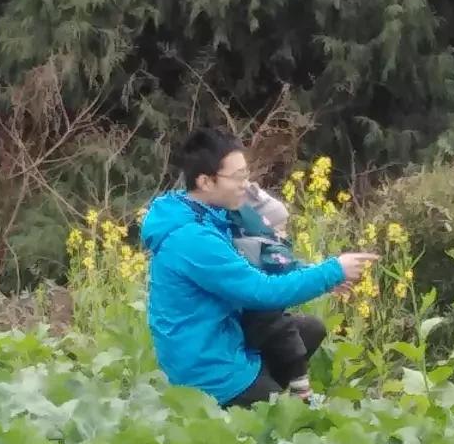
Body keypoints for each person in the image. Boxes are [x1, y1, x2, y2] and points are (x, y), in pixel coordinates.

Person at [140, 129, 377, 407]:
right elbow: (261, 291)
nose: (245, 184)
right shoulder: (192, 239)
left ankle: (275, 393)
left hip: (226, 338)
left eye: (245, 175)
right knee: (296, 425)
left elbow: (260, 260)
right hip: (209, 371)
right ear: (205, 181)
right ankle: (259, 402)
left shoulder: (207, 214)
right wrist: (332, 270)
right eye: (237, 177)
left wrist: (313, 272)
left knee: (308, 330)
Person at [227, 181, 321, 401]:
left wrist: (319, 274)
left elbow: (290, 266)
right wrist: (324, 275)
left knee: (310, 327)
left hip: (255, 323)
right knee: (282, 328)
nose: (283, 233)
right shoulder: (256, 246)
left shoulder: (255, 244)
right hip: (250, 323)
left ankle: (274, 382)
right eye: (280, 228)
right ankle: (299, 387)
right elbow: (284, 270)